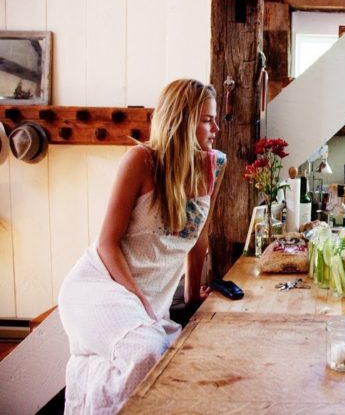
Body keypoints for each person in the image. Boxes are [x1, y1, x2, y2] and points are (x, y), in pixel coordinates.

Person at [58, 79, 226, 413]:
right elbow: (106, 243)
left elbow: (198, 239)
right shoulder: (140, 161)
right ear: (181, 119)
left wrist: (192, 299)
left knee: (183, 355)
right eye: (207, 119)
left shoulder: (213, 165)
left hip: (148, 301)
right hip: (100, 288)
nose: (216, 128)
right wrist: (138, 301)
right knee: (148, 352)